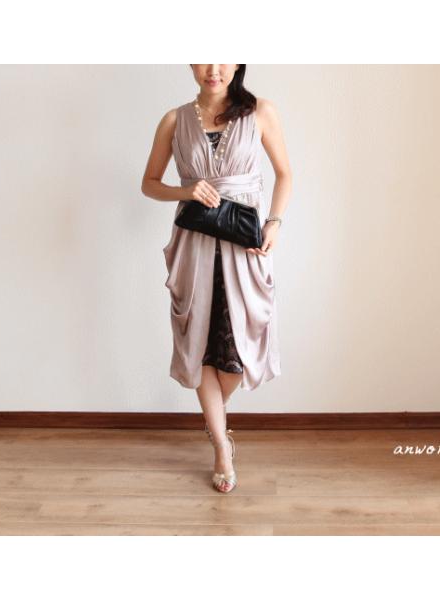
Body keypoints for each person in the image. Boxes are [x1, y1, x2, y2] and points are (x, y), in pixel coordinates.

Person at [141, 64, 292, 493]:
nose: (214, 68)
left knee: (241, 347)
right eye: (204, 56)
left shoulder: (260, 111)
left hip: (244, 246)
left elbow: (285, 173)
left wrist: (275, 222)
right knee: (200, 344)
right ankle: (222, 448)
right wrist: (185, 190)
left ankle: (214, 418)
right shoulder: (174, 120)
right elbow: (149, 183)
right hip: (194, 247)